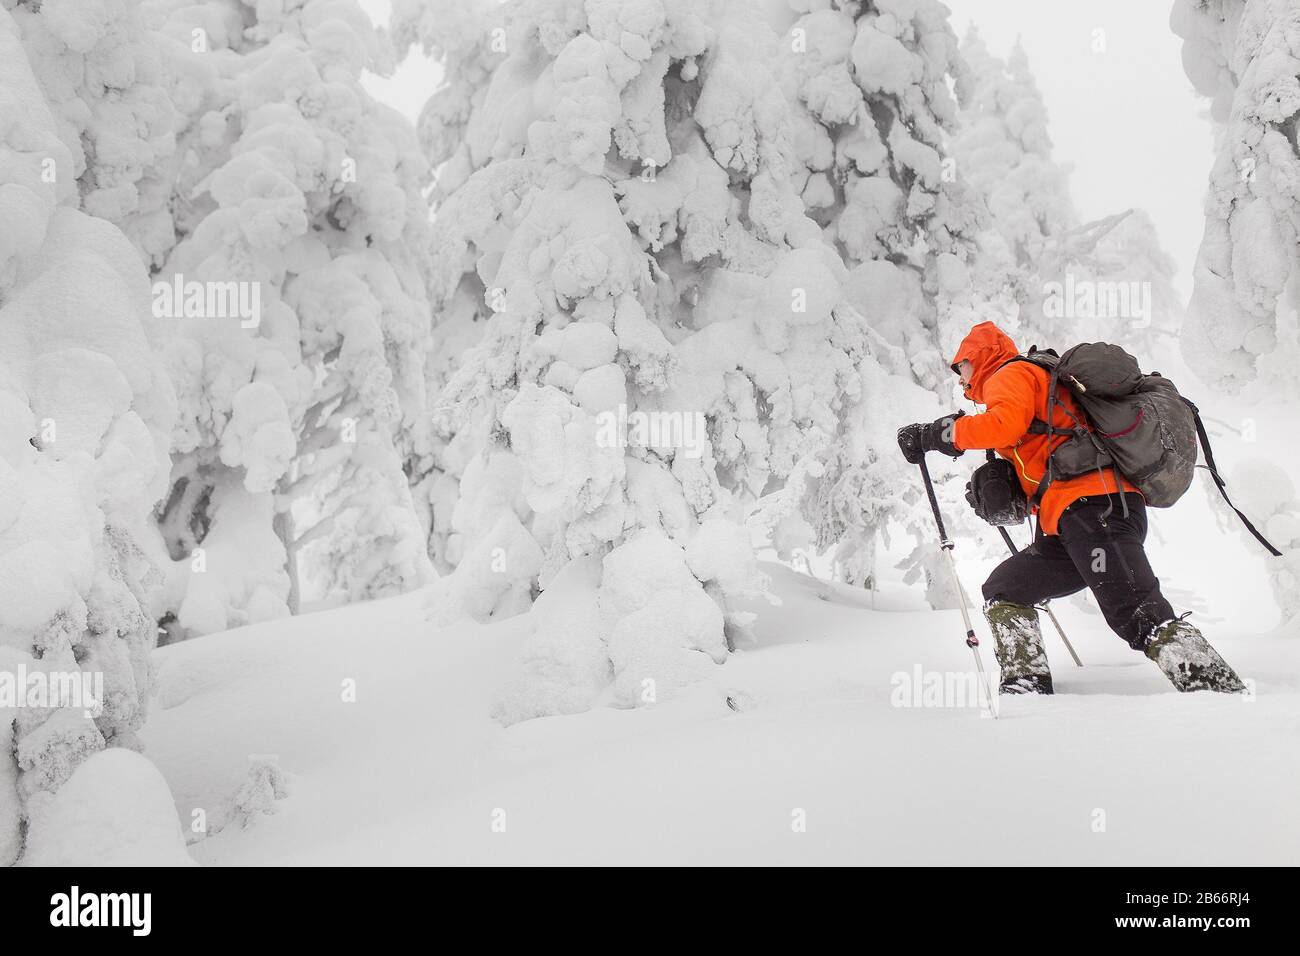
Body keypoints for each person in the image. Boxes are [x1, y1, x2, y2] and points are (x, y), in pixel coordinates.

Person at [896, 321, 1245, 695]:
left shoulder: (1009, 373)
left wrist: (941, 434)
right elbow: (1050, 461)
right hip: (1076, 520)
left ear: (977, 357)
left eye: (961, 365)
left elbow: (1002, 427)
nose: (960, 376)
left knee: (1136, 609)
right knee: (1006, 589)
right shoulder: (1025, 384)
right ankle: (1025, 685)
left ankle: (1215, 690)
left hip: (1095, 509)